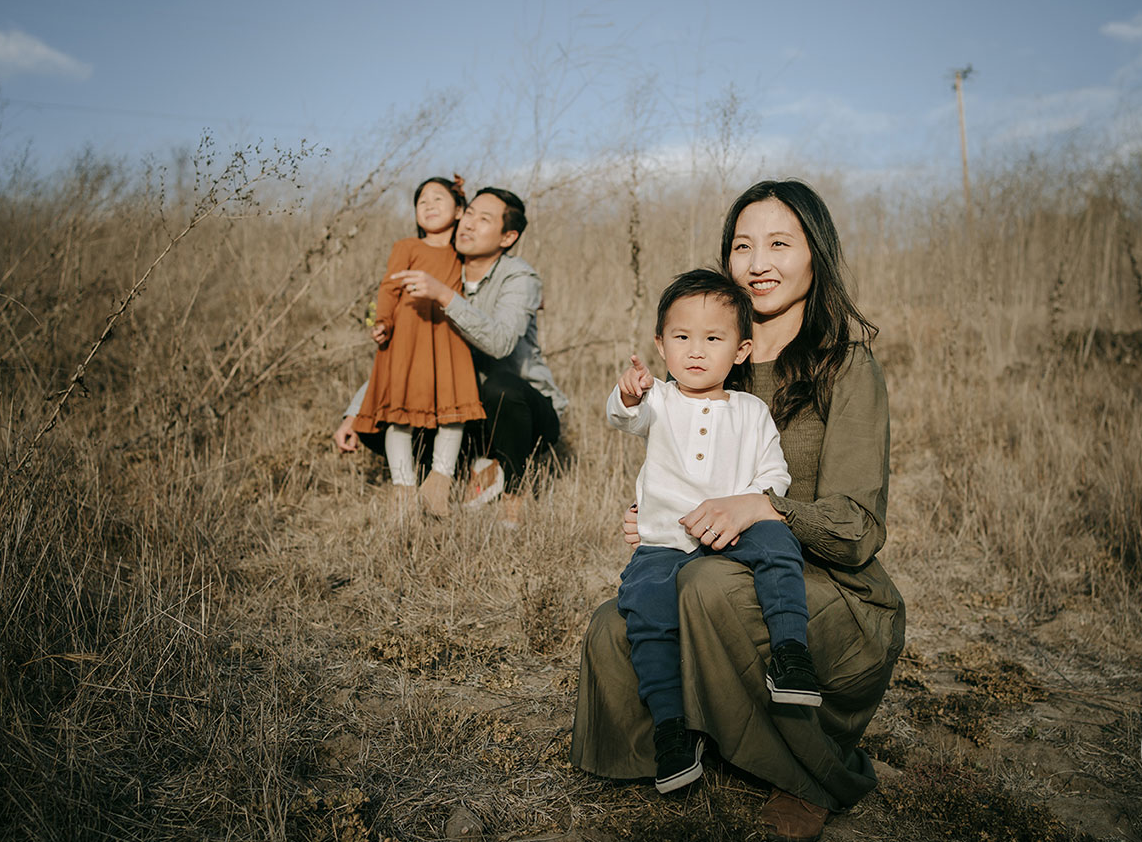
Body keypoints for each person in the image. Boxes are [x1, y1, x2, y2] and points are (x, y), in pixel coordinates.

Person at [572, 180, 904, 842]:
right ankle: (689, 739)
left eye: (780, 244)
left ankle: (806, 774)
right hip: (715, 567)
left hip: (827, 587)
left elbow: (857, 526)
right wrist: (659, 519)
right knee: (620, 622)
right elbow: (675, 466)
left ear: (816, 257)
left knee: (707, 586)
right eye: (742, 246)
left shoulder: (847, 367)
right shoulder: (710, 357)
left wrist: (760, 507)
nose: (758, 263)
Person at [609, 268, 821, 795]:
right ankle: (671, 729)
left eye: (713, 339)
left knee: (778, 541)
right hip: (664, 541)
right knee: (646, 607)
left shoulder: (752, 412)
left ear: (742, 350)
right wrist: (628, 394)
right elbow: (622, 417)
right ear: (660, 345)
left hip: (733, 537)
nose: (696, 351)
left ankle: (791, 657)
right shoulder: (658, 400)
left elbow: (773, 477)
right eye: (681, 338)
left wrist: (749, 508)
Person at [336, 187, 567, 520]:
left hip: (521, 414)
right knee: (382, 422)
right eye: (469, 213)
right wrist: (354, 413)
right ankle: (468, 470)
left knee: (499, 386)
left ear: (507, 236)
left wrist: (443, 295)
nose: (468, 224)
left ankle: (513, 500)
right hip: (461, 409)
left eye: (484, 219)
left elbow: (500, 343)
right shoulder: (442, 267)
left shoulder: (519, 278)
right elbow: (405, 356)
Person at [350, 176, 485, 515]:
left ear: (458, 211)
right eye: (421, 200)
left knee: (453, 411)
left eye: (438, 198)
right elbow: (389, 289)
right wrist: (382, 322)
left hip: (447, 339)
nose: (428, 205)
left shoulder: (463, 252)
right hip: (407, 340)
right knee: (400, 414)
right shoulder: (407, 247)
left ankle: (440, 480)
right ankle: (404, 487)